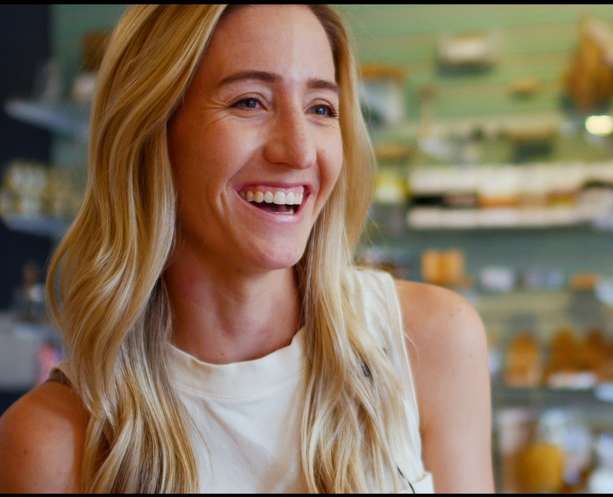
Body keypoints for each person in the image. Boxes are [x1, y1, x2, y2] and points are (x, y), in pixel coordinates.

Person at [0, 4, 493, 493]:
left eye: (321, 109)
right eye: (249, 102)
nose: (299, 151)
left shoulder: (430, 344)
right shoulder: (49, 444)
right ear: (151, 131)